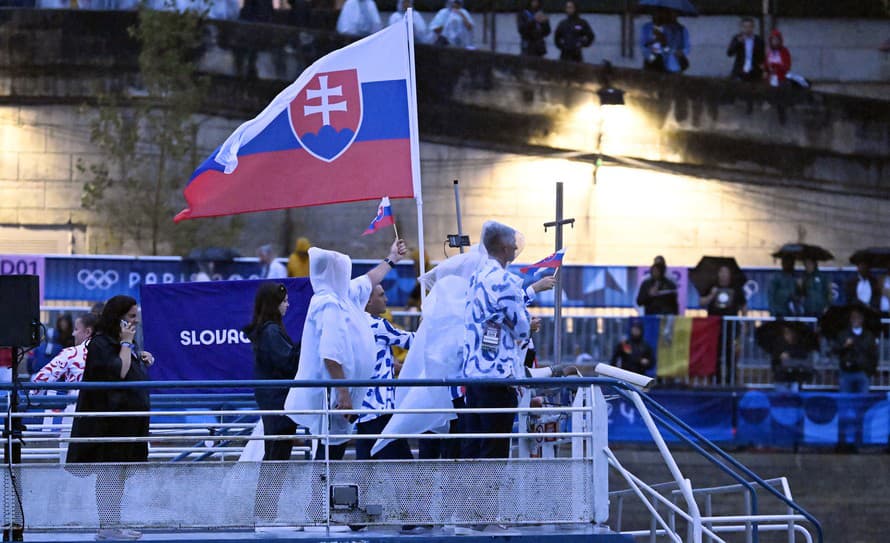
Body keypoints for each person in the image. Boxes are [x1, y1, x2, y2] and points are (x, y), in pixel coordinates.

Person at [284, 238, 408, 461]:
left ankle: (325, 495)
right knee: (329, 454)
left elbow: (370, 280)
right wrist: (343, 394)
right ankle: (321, 496)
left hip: (345, 393)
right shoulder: (327, 304)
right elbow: (330, 355)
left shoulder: (344, 294)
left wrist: (392, 259)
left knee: (335, 450)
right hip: (334, 395)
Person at [460, 221, 555, 459]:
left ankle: (472, 496)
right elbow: (521, 329)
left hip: (473, 374)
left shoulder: (476, 277)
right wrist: (528, 324)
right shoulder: (506, 281)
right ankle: (491, 496)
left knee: (475, 445)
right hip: (498, 375)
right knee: (495, 449)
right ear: (504, 247)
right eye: (512, 243)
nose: (515, 248)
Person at [67, 296, 155, 542]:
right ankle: (107, 527)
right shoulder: (100, 343)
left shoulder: (120, 342)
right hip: (109, 424)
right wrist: (127, 346)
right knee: (109, 474)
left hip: (128, 423)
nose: (135, 322)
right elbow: (118, 372)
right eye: (131, 317)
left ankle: (113, 524)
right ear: (117, 317)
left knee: (119, 475)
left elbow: (128, 366)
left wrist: (140, 355)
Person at [245, 282, 301, 524]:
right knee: (277, 456)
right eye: (284, 301)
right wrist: (305, 344)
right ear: (274, 304)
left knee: (275, 456)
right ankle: (266, 513)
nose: (287, 305)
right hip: (279, 401)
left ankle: (266, 511)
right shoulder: (271, 332)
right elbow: (287, 363)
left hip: (275, 400)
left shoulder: (268, 330)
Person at [356, 285, 415, 460]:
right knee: (404, 470)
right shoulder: (377, 325)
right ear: (368, 301)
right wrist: (431, 326)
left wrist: (390, 366)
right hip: (380, 409)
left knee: (366, 471)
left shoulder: (353, 323)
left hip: (363, 410)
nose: (386, 299)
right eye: (381, 295)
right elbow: (412, 341)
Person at [833, 308, 877, 394]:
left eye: (858, 317)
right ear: (850, 319)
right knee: (845, 401)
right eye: (853, 317)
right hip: (846, 372)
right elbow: (835, 350)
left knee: (863, 402)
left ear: (862, 319)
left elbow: (873, 353)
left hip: (863, 372)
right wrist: (844, 346)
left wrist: (871, 370)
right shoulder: (843, 334)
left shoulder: (869, 336)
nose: (855, 320)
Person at [641, 8, 689, 73]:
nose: (661, 15)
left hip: (674, 67)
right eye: (658, 12)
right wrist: (656, 43)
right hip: (654, 67)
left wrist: (665, 45)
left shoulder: (680, 29)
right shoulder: (647, 27)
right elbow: (645, 48)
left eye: (673, 12)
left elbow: (684, 49)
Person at [769, 325, 812, 392]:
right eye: (786, 333)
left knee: (794, 392)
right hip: (781, 377)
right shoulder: (778, 345)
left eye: (790, 333)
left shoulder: (799, 345)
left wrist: (790, 354)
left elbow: (804, 356)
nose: (788, 335)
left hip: (795, 376)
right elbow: (774, 361)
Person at [726, 17, 765, 82]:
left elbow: (762, 57)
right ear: (741, 28)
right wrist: (738, 43)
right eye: (745, 27)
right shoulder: (737, 38)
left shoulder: (759, 40)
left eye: (749, 26)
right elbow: (729, 53)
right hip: (740, 71)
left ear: (753, 27)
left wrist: (763, 70)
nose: (747, 29)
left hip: (754, 72)